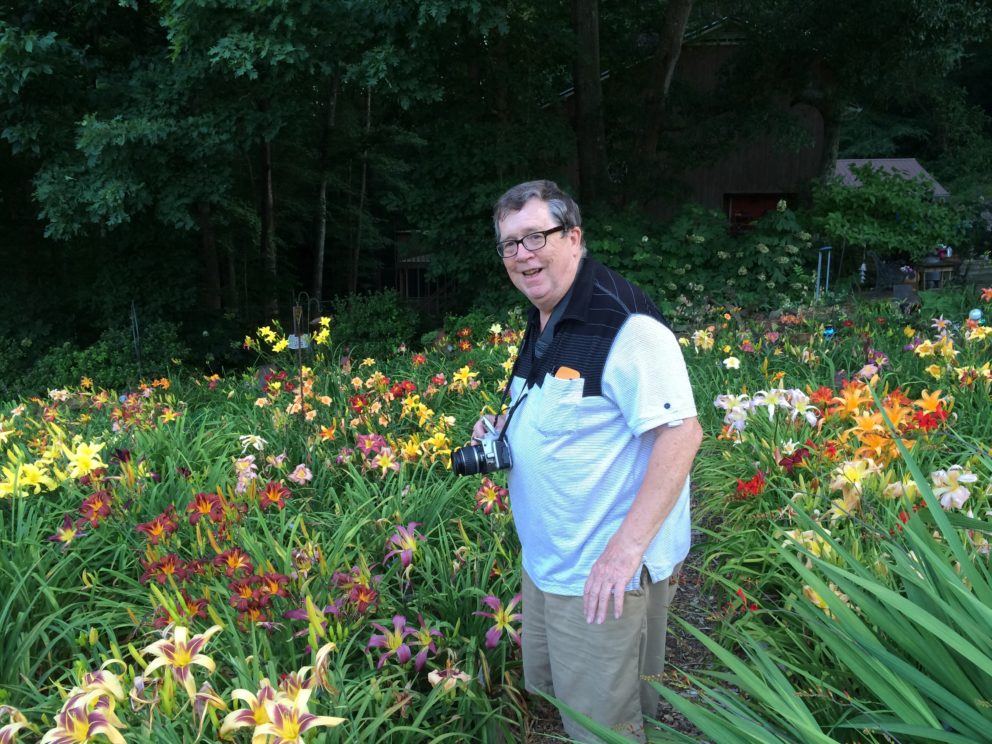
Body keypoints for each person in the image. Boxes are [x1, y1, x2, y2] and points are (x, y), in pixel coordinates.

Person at [472, 180, 702, 742]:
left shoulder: (628, 327)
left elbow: (682, 434)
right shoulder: (547, 313)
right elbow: (573, 407)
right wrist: (506, 430)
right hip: (553, 558)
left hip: (601, 572)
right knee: (574, 705)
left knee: (607, 724)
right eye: (510, 244)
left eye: (536, 237)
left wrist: (623, 554)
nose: (523, 255)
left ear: (573, 237)